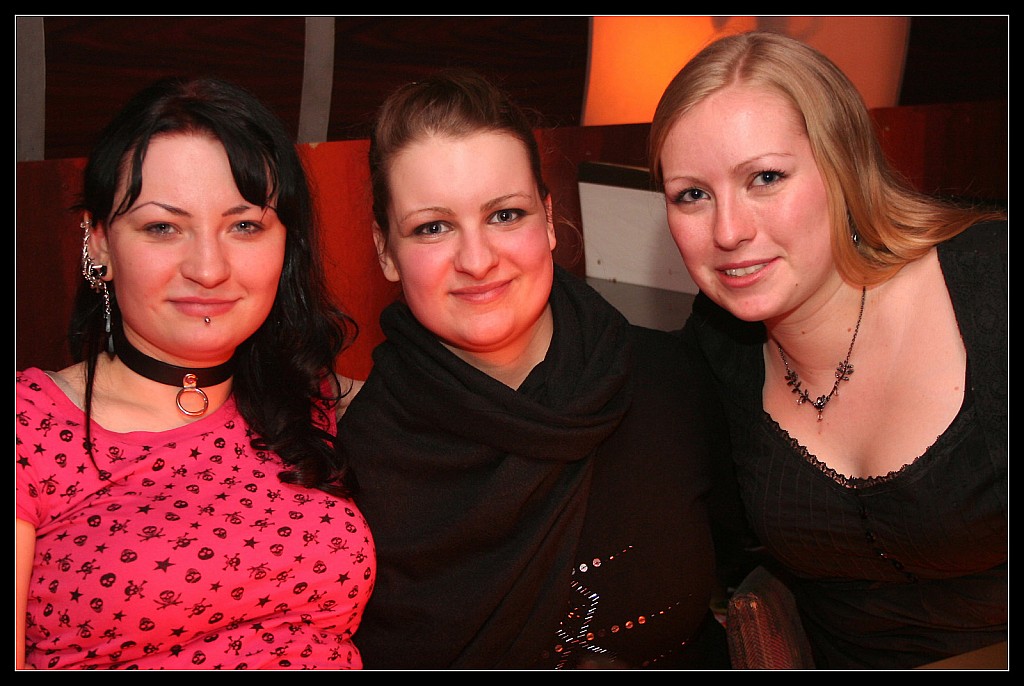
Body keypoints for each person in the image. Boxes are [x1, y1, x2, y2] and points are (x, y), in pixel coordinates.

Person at [333, 68, 732, 669]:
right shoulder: (352, 462)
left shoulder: (675, 381)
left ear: (547, 220)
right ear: (386, 250)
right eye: (433, 227)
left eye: (505, 215)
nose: (476, 260)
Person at [648, 31, 1007, 669]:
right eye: (692, 195)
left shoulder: (992, 286)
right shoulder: (718, 349)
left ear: (844, 167)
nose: (728, 231)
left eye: (765, 178)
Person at [16, 77, 376, 670]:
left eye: (244, 226)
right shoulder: (26, 427)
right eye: (163, 227)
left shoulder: (314, 401)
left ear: (286, 244)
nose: (208, 269)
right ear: (98, 240)